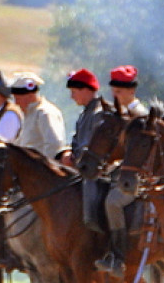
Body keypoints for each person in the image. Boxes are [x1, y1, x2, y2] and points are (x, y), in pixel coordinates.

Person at [95, 65, 148, 278]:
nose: (115, 95)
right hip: (120, 173)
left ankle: (119, 255)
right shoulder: (119, 114)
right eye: (113, 91)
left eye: (119, 92)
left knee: (113, 202)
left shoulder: (140, 116)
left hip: (140, 176)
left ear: (131, 91)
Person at [61, 68, 105, 232]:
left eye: (74, 91)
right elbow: (76, 142)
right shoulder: (85, 113)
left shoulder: (98, 114)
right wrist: (69, 154)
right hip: (80, 164)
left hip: (94, 169)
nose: (72, 96)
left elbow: (90, 147)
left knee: (89, 185)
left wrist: (76, 159)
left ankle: (93, 226)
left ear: (86, 90)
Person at [11, 72, 67, 159]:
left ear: (30, 96)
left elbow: (54, 144)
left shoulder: (45, 113)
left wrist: (43, 168)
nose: (16, 103)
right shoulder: (29, 114)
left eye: (17, 98)